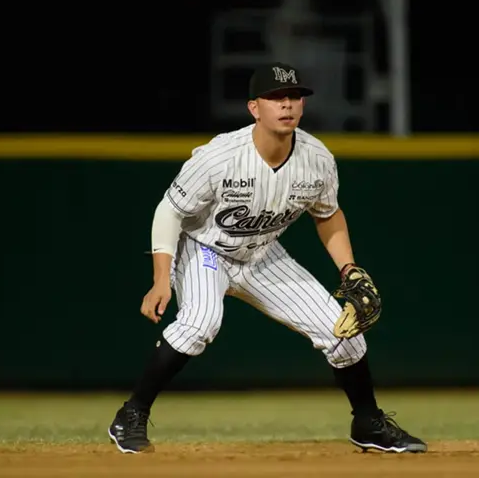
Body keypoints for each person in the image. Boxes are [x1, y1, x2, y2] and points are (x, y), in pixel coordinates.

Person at [107, 62, 426, 454]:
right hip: (206, 246)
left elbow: (328, 214)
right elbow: (169, 211)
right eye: (275, 98)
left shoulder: (317, 158)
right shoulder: (220, 156)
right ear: (254, 108)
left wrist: (350, 270)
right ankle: (132, 414)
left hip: (261, 254)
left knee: (343, 334)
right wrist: (161, 278)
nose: (287, 105)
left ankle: (368, 424)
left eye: (294, 97)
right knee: (199, 322)